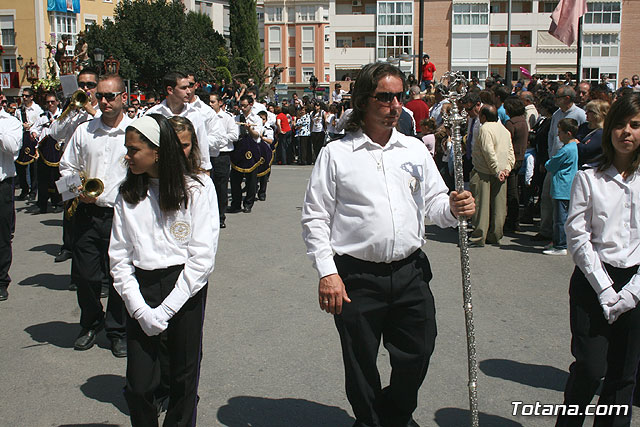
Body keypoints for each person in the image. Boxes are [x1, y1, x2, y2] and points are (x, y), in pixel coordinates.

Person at [301, 62, 475, 427]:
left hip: (410, 272)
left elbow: (435, 205)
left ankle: (392, 417)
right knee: (360, 362)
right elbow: (315, 218)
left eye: (400, 97)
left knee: (419, 351)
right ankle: (372, 421)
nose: (396, 105)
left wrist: (455, 208)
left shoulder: (413, 150)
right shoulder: (337, 154)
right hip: (356, 277)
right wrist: (327, 273)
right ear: (364, 101)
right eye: (385, 97)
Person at [110, 114, 218, 426]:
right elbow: (119, 257)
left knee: (184, 380)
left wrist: (167, 309)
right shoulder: (126, 193)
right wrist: (140, 310)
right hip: (140, 290)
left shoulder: (196, 190)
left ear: (157, 151)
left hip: (185, 287)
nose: (127, 155)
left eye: (133, 149)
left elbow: (201, 257)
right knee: (139, 385)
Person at [556, 93, 640, 427]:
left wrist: (632, 292)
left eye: (635, 125)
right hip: (594, 282)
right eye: (619, 124)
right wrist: (605, 288)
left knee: (623, 374)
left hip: (635, 284)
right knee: (591, 368)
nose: (627, 132)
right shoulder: (589, 178)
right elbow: (578, 236)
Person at [59, 74, 131, 357]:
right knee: (86, 276)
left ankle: (117, 330)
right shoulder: (84, 131)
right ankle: (90, 321)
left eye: (110, 96)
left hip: (122, 214)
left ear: (123, 97)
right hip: (88, 212)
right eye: (99, 96)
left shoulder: (135, 131)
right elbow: (66, 167)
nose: (103, 101)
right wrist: (77, 190)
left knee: (119, 277)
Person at [534, 85, 586, 243]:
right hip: (555, 160)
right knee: (546, 196)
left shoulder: (580, 114)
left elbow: (583, 137)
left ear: (568, 98)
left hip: (569, 164)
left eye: (558, 97)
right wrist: (549, 156)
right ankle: (546, 230)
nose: (555, 99)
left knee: (563, 203)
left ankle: (563, 237)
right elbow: (551, 136)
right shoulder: (557, 114)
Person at [145, 71, 214, 172]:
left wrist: (205, 171)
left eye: (189, 87)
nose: (188, 91)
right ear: (170, 90)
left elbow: (202, 146)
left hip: (188, 172)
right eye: (183, 88)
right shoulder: (153, 114)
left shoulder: (195, 114)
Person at [469, 105, 515, 247]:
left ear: (483, 116)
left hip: (485, 171)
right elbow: (510, 151)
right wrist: (507, 168)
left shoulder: (485, 129)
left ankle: (479, 236)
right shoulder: (504, 130)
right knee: (499, 206)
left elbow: (488, 151)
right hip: (501, 171)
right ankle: (495, 234)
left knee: (481, 204)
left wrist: (496, 170)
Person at [544, 118, 579, 256]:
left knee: (560, 218)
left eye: (560, 132)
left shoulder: (566, 150)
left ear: (568, 133)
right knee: (563, 217)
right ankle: (560, 242)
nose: (558, 135)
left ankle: (560, 245)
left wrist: (549, 162)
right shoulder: (574, 147)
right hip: (567, 186)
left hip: (562, 187)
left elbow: (551, 165)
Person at [0, 102, 23, 301]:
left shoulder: (11, 123)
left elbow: (12, 147)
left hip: (2, 185)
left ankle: (1, 281)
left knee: (2, 235)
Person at [208, 92, 238, 229]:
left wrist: (219, 140)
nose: (210, 104)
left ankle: (220, 216)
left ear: (220, 103)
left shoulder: (227, 118)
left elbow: (234, 135)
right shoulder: (205, 117)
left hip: (222, 155)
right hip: (208, 155)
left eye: (213, 102)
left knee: (221, 187)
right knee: (208, 187)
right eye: (209, 102)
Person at [229, 94, 263, 214]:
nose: (242, 108)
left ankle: (248, 203)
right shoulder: (236, 119)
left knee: (251, 180)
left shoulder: (257, 119)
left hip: (252, 150)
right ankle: (236, 203)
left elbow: (257, 135)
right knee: (235, 179)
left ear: (251, 105)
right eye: (240, 106)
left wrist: (249, 129)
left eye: (244, 106)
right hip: (238, 150)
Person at [32, 92, 63, 214]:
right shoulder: (43, 117)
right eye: (48, 102)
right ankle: (42, 204)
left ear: (57, 102)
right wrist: (34, 132)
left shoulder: (62, 115)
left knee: (58, 178)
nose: (50, 104)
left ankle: (58, 202)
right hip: (45, 151)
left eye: (52, 102)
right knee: (43, 178)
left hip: (58, 150)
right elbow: (35, 128)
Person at [504, 97, 529, 232]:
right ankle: (514, 219)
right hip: (520, 157)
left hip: (512, 158)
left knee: (511, 191)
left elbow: (506, 141)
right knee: (514, 190)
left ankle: (513, 220)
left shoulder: (511, 123)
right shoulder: (523, 121)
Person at [15, 87, 43, 201]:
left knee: (33, 167)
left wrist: (30, 126)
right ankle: (24, 189)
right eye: (23, 96)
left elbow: (41, 124)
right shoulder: (19, 110)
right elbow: (16, 124)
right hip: (22, 138)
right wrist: (22, 126)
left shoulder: (37, 110)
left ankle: (33, 191)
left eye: (26, 96)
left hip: (32, 139)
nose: (24, 98)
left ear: (31, 97)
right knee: (20, 165)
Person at [575, 99, 610, 166]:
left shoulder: (601, 133)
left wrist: (576, 142)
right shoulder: (584, 126)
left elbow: (585, 150)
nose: (586, 113)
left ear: (598, 114)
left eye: (589, 111)